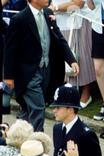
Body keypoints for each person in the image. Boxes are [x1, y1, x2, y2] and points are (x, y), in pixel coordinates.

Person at [4, 0, 79, 132]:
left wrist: (71, 60)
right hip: (28, 73)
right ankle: (38, 142)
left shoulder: (48, 13)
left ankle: (19, 138)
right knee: (38, 107)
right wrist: (8, 76)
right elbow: (10, 50)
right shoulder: (19, 19)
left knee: (29, 109)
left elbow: (59, 38)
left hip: (47, 69)